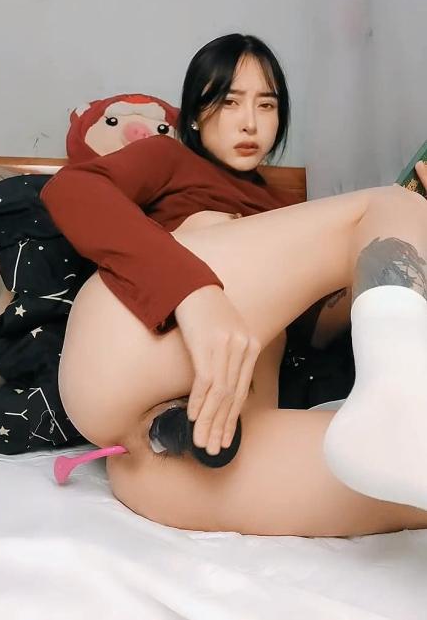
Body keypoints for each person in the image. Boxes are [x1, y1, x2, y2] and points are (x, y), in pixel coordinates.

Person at [41, 33, 427, 537]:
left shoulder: (285, 213)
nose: (250, 122)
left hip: (196, 449)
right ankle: (405, 400)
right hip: (127, 349)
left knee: (404, 476)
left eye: (267, 105)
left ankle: (397, 408)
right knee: (395, 203)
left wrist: (382, 262)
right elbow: (73, 188)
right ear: (194, 115)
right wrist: (195, 294)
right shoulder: (168, 159)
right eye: (229, 102)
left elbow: (316, 330)